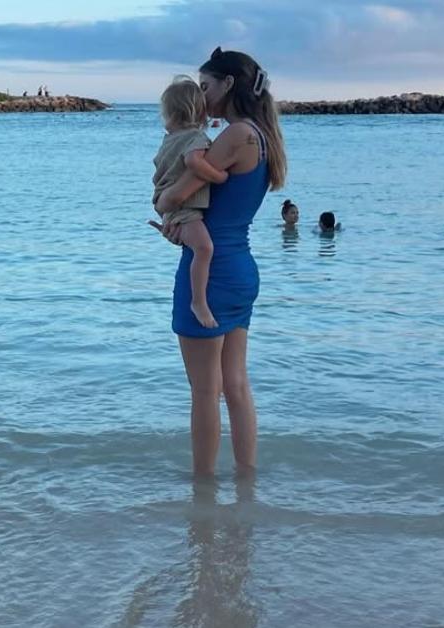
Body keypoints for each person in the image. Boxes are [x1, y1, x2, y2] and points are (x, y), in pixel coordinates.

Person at [152, 47, 287, 476]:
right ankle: (247, 483)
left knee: (204, 391)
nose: (201, 94)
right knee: (236, 385)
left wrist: (165, 204)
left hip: (212, 273)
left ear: (228, 84)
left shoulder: (234, 135)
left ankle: (203, 490)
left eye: (206, 85)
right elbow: (220, 209)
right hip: (241, 268)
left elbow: (174, 196)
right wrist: (183, 225)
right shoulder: (262, 136)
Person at [153, 76, 229, 328]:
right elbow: (194, 163)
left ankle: (198, 300)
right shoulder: (195, 138)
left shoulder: (170, 138)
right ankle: (198, 301)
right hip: (184, 208)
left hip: (170, 205)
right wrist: (219, 176)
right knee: (204, 249)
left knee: (197, 247)